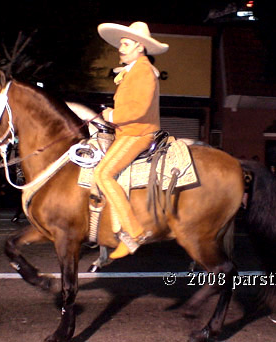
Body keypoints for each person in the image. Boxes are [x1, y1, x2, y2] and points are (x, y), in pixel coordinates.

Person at [94, 21, 169, 259]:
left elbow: (138, 109)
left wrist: (112, 115)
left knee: (102, 174)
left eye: (126, 44)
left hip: (137, 132)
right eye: (121, 44)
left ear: (140, 46)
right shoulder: (133, 71)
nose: (120, 48)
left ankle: (134, 232)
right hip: (127, 131)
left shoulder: (143, 71)